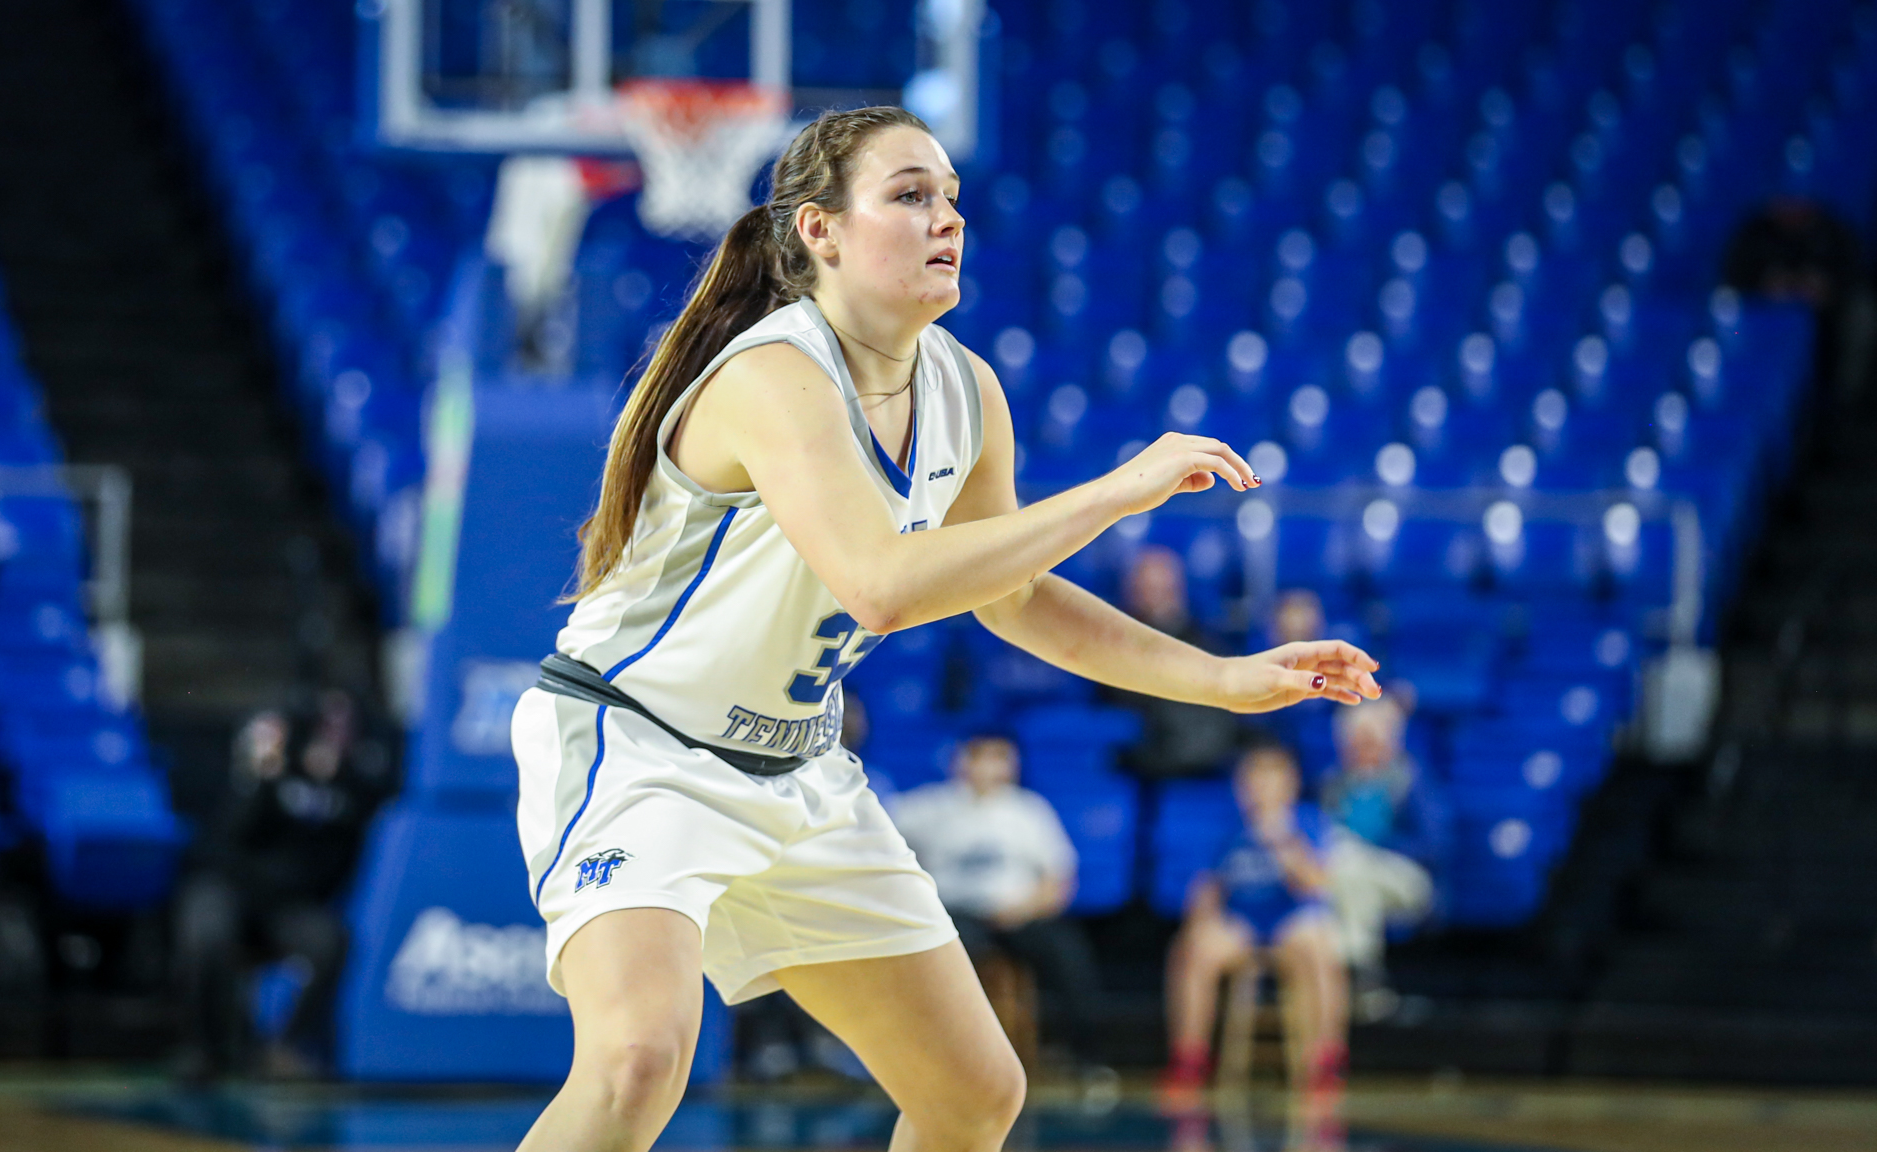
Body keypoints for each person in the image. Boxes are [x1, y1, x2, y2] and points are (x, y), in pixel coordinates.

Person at [509, 105, 1380, 1151]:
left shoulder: (965, 390)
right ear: (820, 232)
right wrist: (1111, 492)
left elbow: (1010, 596)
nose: (947, 220)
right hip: (637, 747)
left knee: (972, 1094)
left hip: (793, 770)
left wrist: (1224, 678)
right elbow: (879, 584)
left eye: (953, 199)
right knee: (636, 1063)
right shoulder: (772, 375)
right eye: (911, 195)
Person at [175, 689, 394, 1078]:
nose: (333, 736)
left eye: (343, 728)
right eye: (326, 727)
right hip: (232, 891)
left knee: (331, 942)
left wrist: (335, 783)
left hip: (285, 907)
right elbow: (225, 840)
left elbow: (339, 857)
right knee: (206, 928)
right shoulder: (267, 770)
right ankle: (206, 1050)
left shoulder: (355, 786)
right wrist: (264, 777)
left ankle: (283, 1047)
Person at [887, 733, 1109, 1076]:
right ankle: (947, 1057)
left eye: (1001, 757)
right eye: (981, 757)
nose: (991, 767)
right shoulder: (927, 806)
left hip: (1020, 915)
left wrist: (1024, 910)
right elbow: (877, 842)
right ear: (961, 761)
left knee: (1068, 952)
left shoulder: (1030, 810)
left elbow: (1059, 881)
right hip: (956, 916)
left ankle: (1086, 1059)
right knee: (945, 955)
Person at [1162, 745, 1347, 1106]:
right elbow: (1207, 891)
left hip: (1292, 919)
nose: (1258, 788)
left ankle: (1325, 1060)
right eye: (1251, 780)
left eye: (1268, 779)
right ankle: (1189, 1058)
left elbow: (1314, 884)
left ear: (1289, 785)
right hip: (1242, 920)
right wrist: (1202, 915)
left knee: (1321, 947)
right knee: (1193, 948)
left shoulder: (1309, 821)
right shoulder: (1228, 828)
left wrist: (1280, 839)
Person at [1318, 697, 1446, 1018]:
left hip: (1409, 881)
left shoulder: (1412, 781)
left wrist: (1373, 848)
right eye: (1356, 743)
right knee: (1348, 872)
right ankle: (1357, 983)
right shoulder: (1333, 784)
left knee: (1351, 867)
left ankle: (1356, 977)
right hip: (1344, 880)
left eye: (1372, 741)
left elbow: (1435, 845)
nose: (1364, 751)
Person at [1105, 546, 1241, 780]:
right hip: (1149, 754)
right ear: (1131, 593)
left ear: (1179, 591)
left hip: (1205, 761)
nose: (1154, 599)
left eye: (1163, 591)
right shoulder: (1109, 645)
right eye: (1146, 590)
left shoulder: (1206, 643)